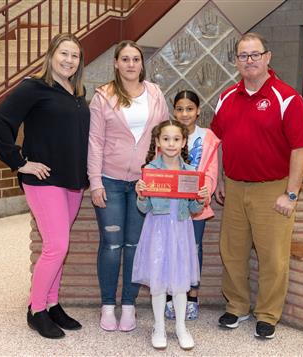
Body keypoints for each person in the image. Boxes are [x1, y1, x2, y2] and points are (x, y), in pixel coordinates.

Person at [210, 33, 303, 339]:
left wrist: (291, 193)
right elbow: (218, 141)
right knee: (232, 251)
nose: (250, 61)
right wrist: (220, 177)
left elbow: (301, 148)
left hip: (273, 189)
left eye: (255, 54)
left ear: (268, 57)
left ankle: (268, 314)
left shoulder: (288, 98)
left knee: (273, 256)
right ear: (236, 62)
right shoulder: (226, 97)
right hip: (234, 187)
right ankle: (237, 306)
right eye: (243, 56)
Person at [0, 33, 89, 339]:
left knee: (58, 247)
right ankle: (36, 310)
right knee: (56, 246)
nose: (69, 60)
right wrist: (19, 162)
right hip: (43, 180)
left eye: (74, 55)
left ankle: (52, 303)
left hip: (73, 181)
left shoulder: (76, 93)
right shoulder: (34, 86)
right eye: (64, 53)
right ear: (51, 55)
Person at [87, 40, 168, 332]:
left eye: (136, 59)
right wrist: (95, 181)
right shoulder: (103, 97)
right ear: (116, 63)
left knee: (134, 245)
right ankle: (108, 305)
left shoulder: (156, 94)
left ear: (141, 64)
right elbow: (95, 142)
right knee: (111, 244)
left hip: (143, 184)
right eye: (125, 59)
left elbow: (164, 138)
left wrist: (161, 177)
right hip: (109, 180)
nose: (131, 64)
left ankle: (130, 305)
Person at [133, 120, 208, 350]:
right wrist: (142, 195)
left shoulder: (190, 172)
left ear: (184, 142)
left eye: (176, 139)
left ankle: (181, 327)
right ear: (157, 142)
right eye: (166, 139)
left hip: (181, 231)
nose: (171, 144)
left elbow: (195, 210)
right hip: (157, 230)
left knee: (180, 282)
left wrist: (200, 198)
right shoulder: (151, 171)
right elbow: (144, 209)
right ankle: (158, 326)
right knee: (157, 281)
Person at [165, 90, 220, 321]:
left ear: (198, 111)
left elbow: (210, 171)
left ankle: (192, 296)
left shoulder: (207, 137)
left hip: (195, 207)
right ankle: (169, 297)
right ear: (174, 111)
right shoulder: (167, 134)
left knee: (194, 249)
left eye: (189, 109)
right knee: (169, 248)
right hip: (169, 207)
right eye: (179, 109)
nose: (184, 113)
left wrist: (205, 192)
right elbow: (158, 166)